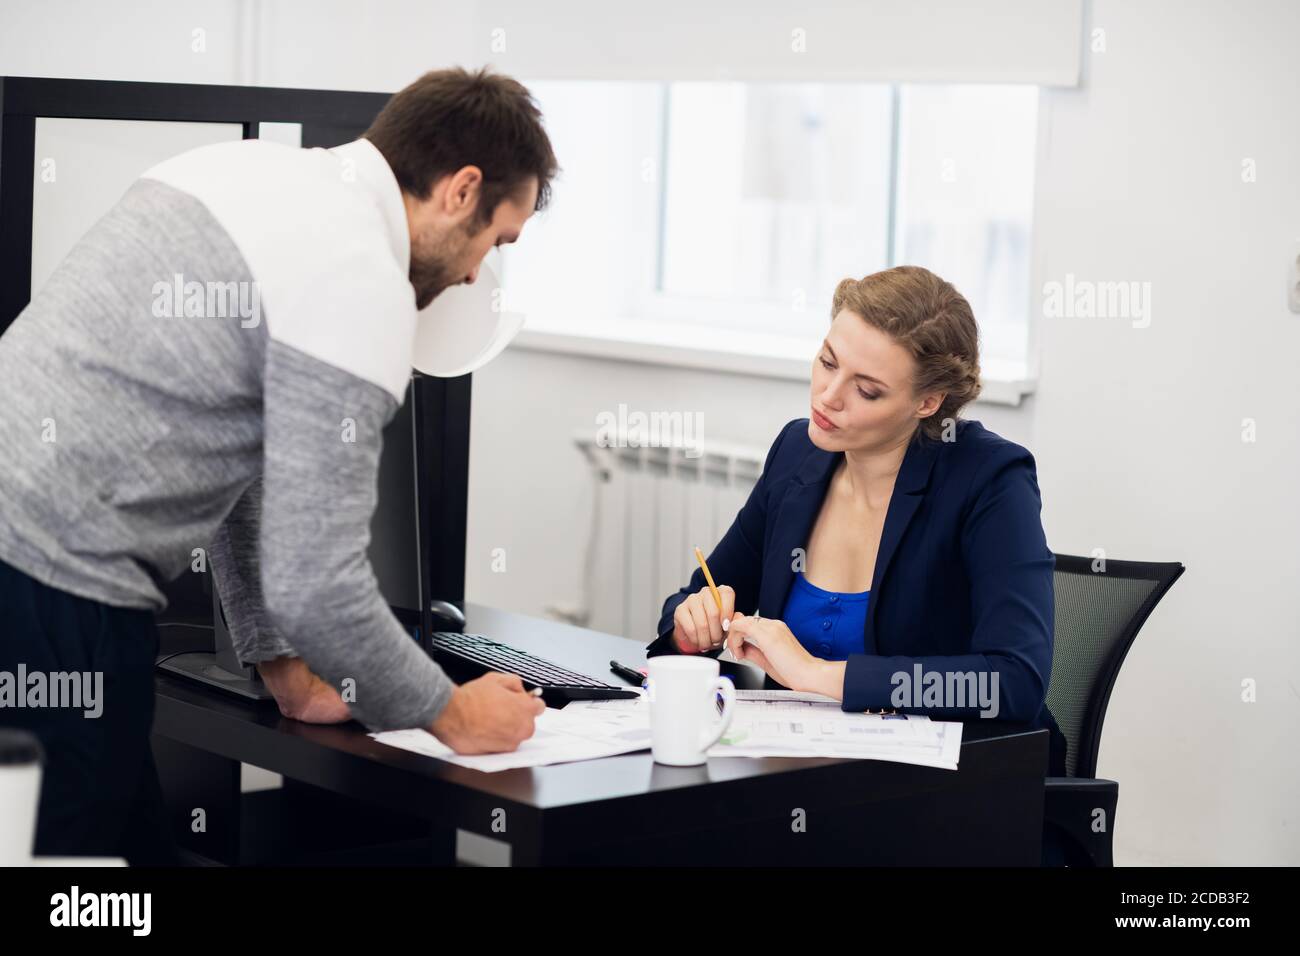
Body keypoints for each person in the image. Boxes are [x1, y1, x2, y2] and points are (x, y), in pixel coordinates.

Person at [0, 67, 555, 863]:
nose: (475, 276)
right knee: (73, 883)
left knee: (122, 864)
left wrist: (282, 666)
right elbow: (318, 582)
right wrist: (453, 713)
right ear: (461, 190)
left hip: (40, 576)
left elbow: (235, 459)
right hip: (52, 589)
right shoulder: (359, 277)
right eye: (494, 242)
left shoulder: (243, 176)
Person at [647, 266, 1067, 777]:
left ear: (927, 402)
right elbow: (696, 596)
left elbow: (1011, 680)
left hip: (941, 790)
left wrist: (819, 675)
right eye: (827, 362)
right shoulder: (797, 453)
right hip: (799, 774)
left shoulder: (990, 479)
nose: (828, 396)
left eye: (866, 390)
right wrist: (692, 627)